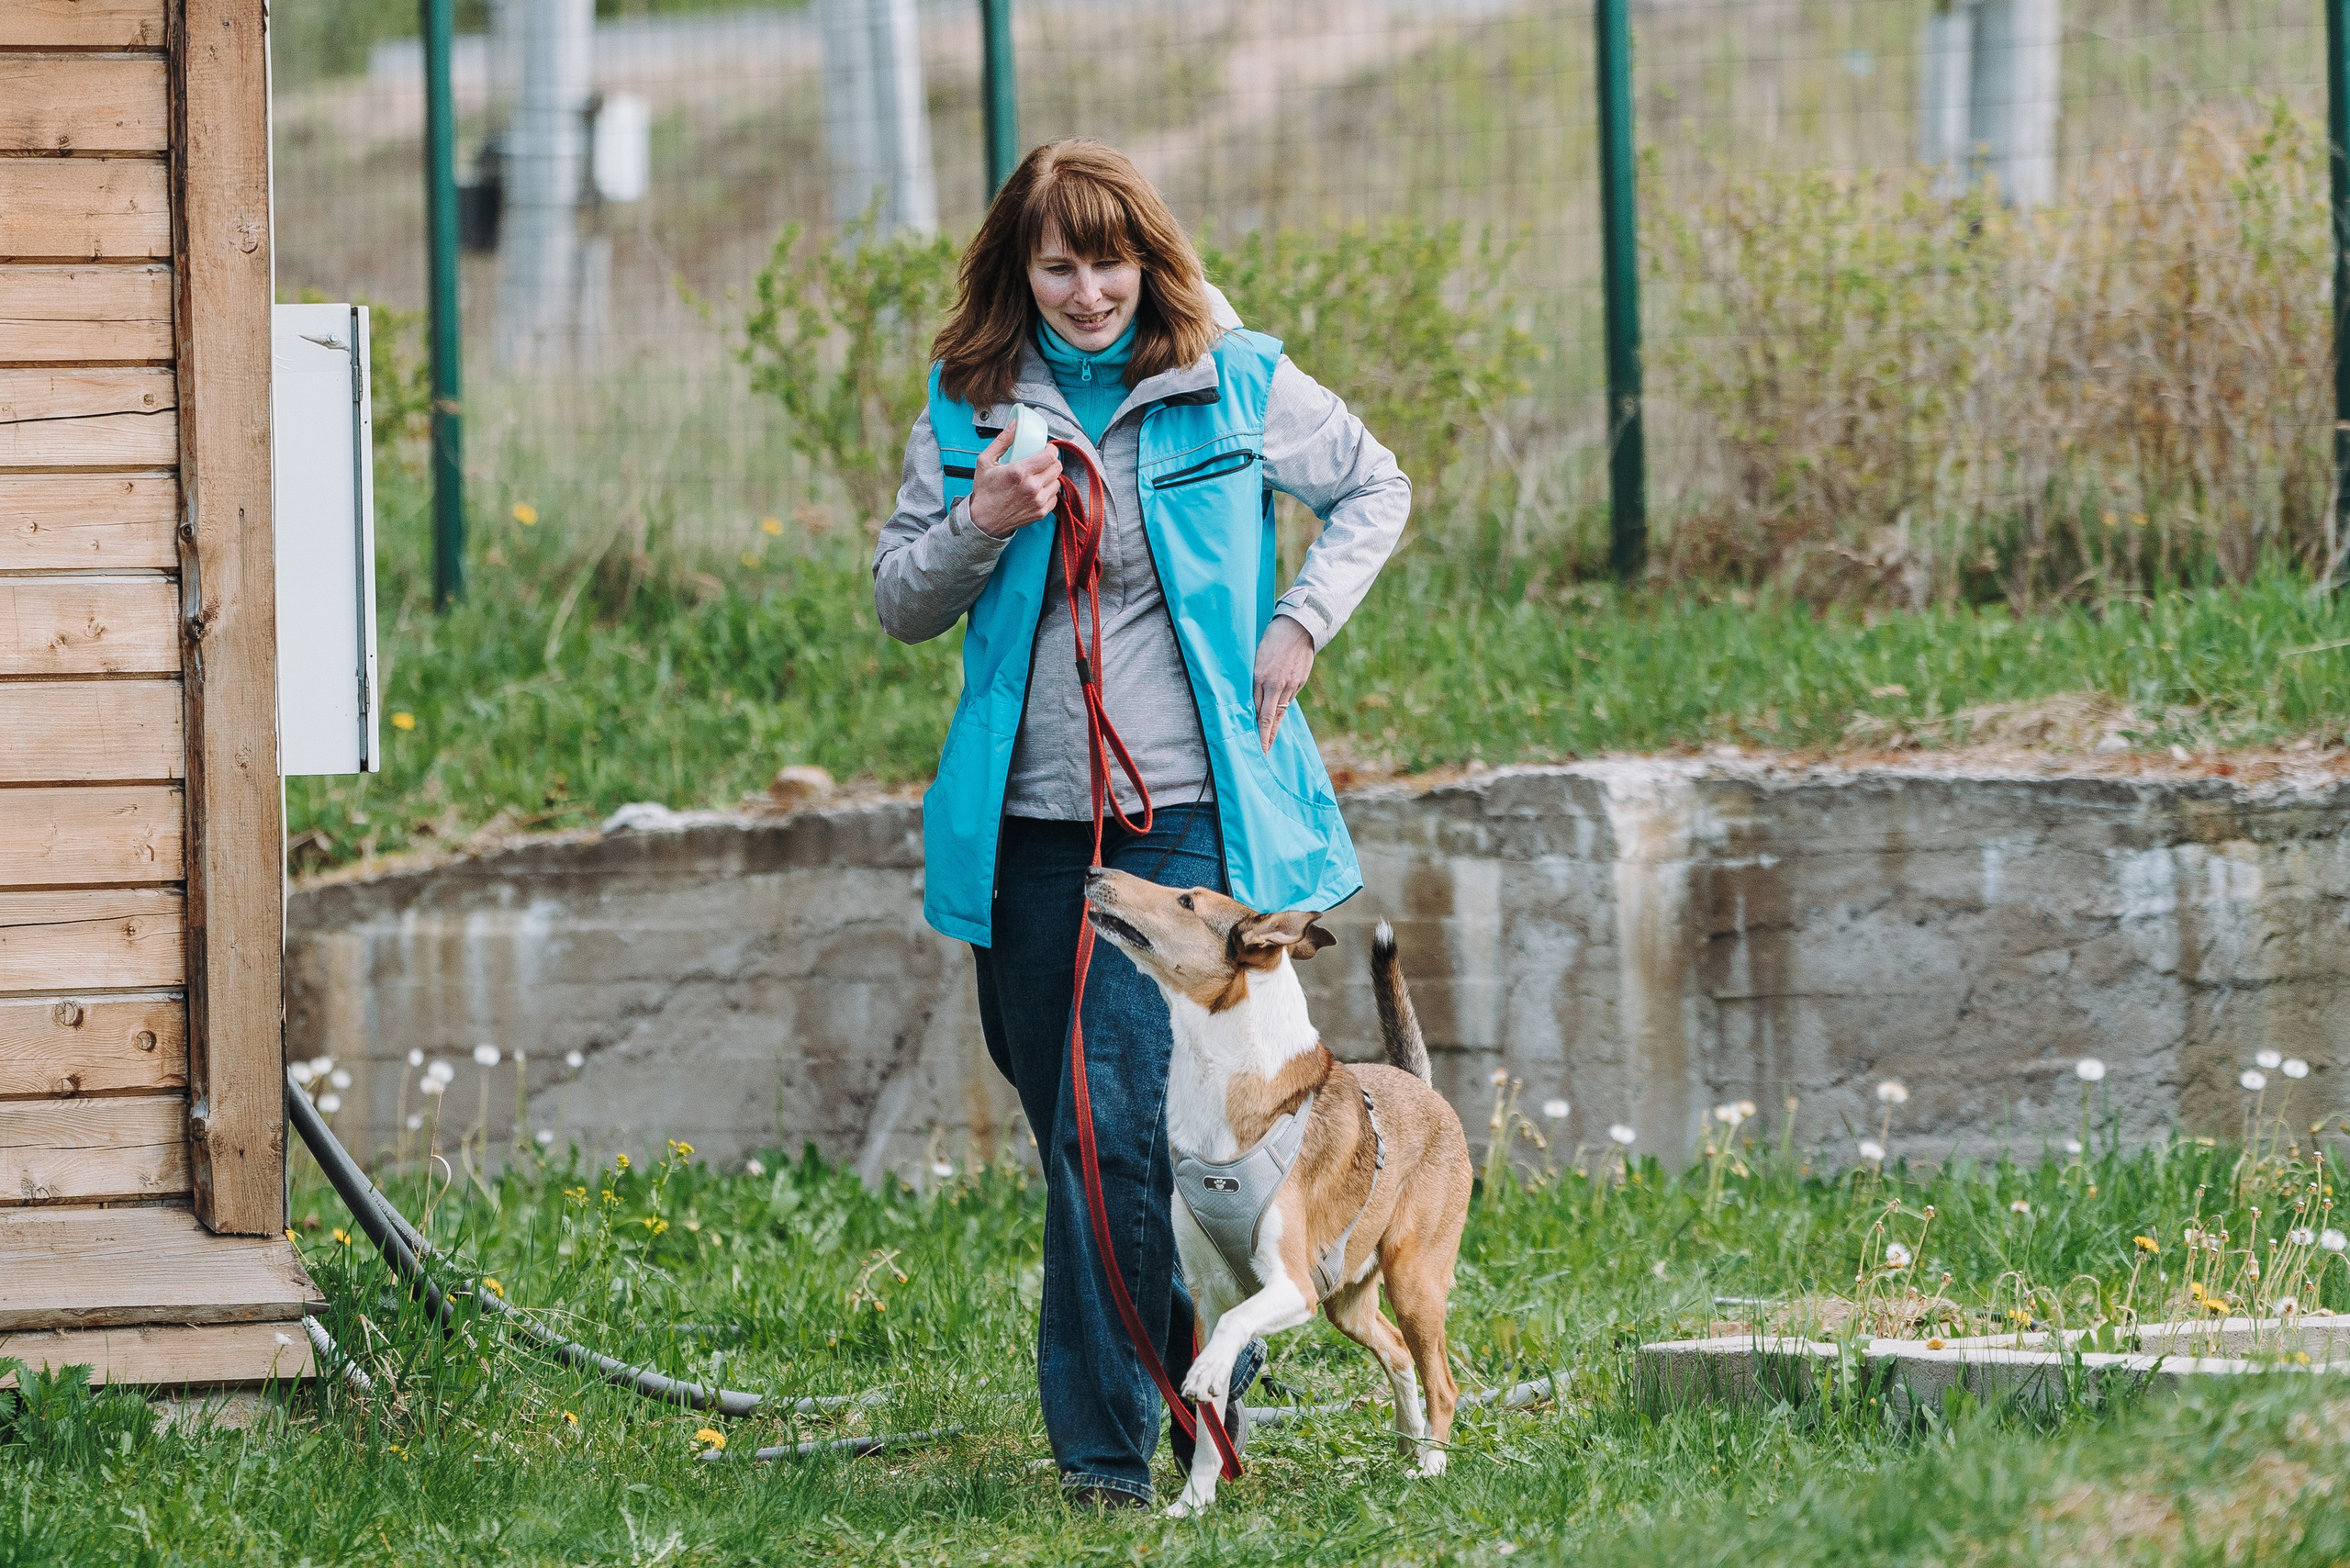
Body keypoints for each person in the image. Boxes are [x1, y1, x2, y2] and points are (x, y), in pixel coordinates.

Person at [874, 139, 1410, 1507]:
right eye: (1060, 263)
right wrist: (983, 516)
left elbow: (1375, 488)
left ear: (1147, 258)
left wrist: (1299, 621)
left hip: (1182, 827)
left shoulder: (1228, 375)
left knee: (1114, 1125)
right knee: (1076, 1134)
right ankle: (1206, 1392)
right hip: (1029, 828)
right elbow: (901, 598)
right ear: (1021, 269)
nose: (1090, 289)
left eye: (1110, 260)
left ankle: (1104, 1461)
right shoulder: (967, 403)